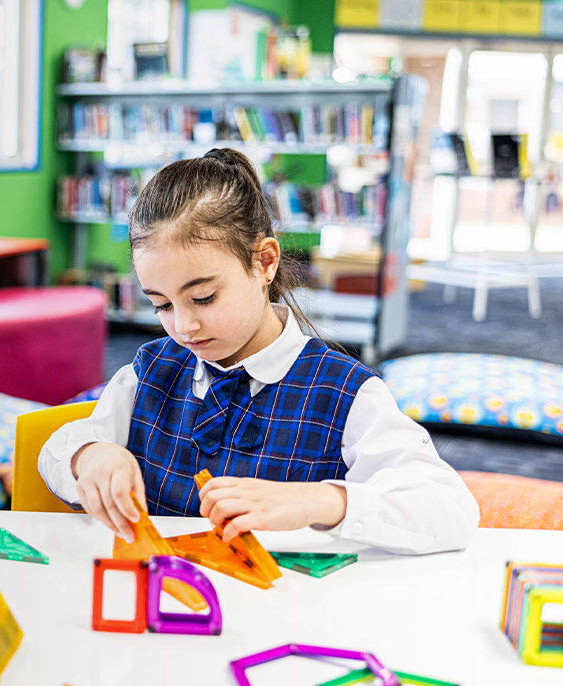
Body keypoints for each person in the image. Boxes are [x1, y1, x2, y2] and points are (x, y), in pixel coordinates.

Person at [39, 148, 477, 554]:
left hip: (283, 618)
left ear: (264, 262)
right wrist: (90, 456)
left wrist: (322, 501)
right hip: (163, 615)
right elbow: (58, 448)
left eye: (204, 297)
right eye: (161, 305)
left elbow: (450, 509)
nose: (184, 326)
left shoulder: (345, 393)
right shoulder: (150, 371)